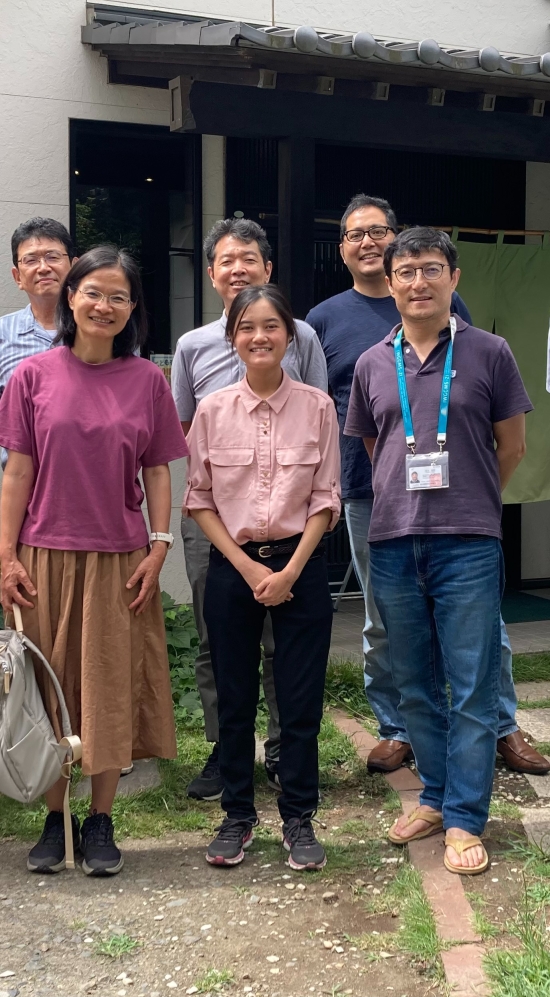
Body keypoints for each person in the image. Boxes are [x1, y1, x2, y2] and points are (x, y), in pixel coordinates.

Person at [306, 194, 549, 777]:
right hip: (372, 494)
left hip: (459, 505)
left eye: (378, 231)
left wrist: (482, 489)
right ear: (342, 249)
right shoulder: (324, 319)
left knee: (480, 619)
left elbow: (501, 431)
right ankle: (398, 728)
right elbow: (334, 413)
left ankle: (502, 725)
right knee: (383, 618)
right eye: (354, 234)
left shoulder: (440, 302)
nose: (367, 241)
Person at [345, 227, 532, 874]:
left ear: (454, 278)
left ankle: (464, 817)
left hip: (469, 545)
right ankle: (434, 795)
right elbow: (376, 448)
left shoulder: (491, 352)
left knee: (472, 682)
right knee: (414, 680)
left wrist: (473, 501)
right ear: (390, 283)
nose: (417, 281)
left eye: (430, 268)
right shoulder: (373, 361)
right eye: (406, 271)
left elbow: (513, 447)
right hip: (395, 541)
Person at [0, 246, 189, 876]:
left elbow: (158, 469)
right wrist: (5, 555)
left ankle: (102, 820)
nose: (103, 306)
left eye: (119, 296)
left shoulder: (146, 381)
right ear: (70, 297)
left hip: (119, 558)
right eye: (93, 292)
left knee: (108, 686)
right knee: (47, 688)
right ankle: (55, 821)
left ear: (133, 309)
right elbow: (18, 471)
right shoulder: (32, 377)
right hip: (42, 556)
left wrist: (159, 545)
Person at [183, 284, 340, 870]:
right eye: (247, 327)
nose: (260, 337)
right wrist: (250, 568)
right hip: (234, 566)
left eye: (272, 326)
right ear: (232, 338)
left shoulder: (318, 408)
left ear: (290, 336)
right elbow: (198, 499)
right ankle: (237, 816)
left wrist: (290, 568)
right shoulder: (212, 411)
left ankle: (298, 816)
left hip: (302, 564)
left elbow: (326, 499)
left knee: (299, 700)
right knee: (234, 695)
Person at [172, 218, 328, 801]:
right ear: (211, 272)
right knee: (219, 636)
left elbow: (311, 413)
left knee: (281, 645)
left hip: (289, 519)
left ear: (268, 268)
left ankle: (284, 746)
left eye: (249, 258)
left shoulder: (302, 336)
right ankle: (224, 748)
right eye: (226, 260)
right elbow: (188, 430)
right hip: (219, 514)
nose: (238, 268)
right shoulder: (191, 346)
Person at [0, 218, 74, 467]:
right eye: (31, 260)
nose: (43, 268)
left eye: (53, 256)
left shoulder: (106, 330)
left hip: (98, 482)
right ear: (17, 276)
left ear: (74, 267)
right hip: (23, 487)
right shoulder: (2, 334)